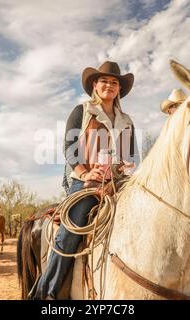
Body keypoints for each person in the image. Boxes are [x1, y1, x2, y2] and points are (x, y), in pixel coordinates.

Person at [34, 61, 139, 300]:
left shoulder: (127, 120)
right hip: (87, 183)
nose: (109, 86)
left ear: (119, 89)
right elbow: (69, 147)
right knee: (71, 231)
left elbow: (131, 155)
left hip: (119, 183)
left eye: (114, 83)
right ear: (95, 85)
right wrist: (84, 173)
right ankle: (47, 292)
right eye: (104, 81)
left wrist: (123, 167)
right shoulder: (82, 111)